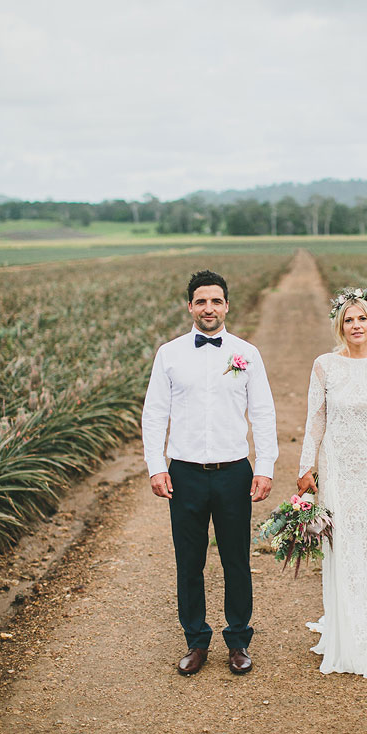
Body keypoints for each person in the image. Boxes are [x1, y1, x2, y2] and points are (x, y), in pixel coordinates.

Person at [142, 269, 278, 676]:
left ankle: (238, 641)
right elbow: (154, 415)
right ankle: (196, 641)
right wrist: (155, 466)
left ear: (227, 306)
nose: (209, 308)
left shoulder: (246, 354)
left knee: (236, 559)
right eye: (201, 301)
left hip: (234, 470)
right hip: (183, 472)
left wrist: (265, 467)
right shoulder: (169, 354)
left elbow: (263, 413)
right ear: (190, 307)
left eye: (216, 301)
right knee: (189, 561)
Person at [297, 287, 367, 680]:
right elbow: (316, 419)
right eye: (348, 319)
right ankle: (345, 635)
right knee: (342, 549)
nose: (355, 325)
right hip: (339, 471)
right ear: (339, 326)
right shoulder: (325, 365)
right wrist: (306, 466)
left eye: (362, 318)